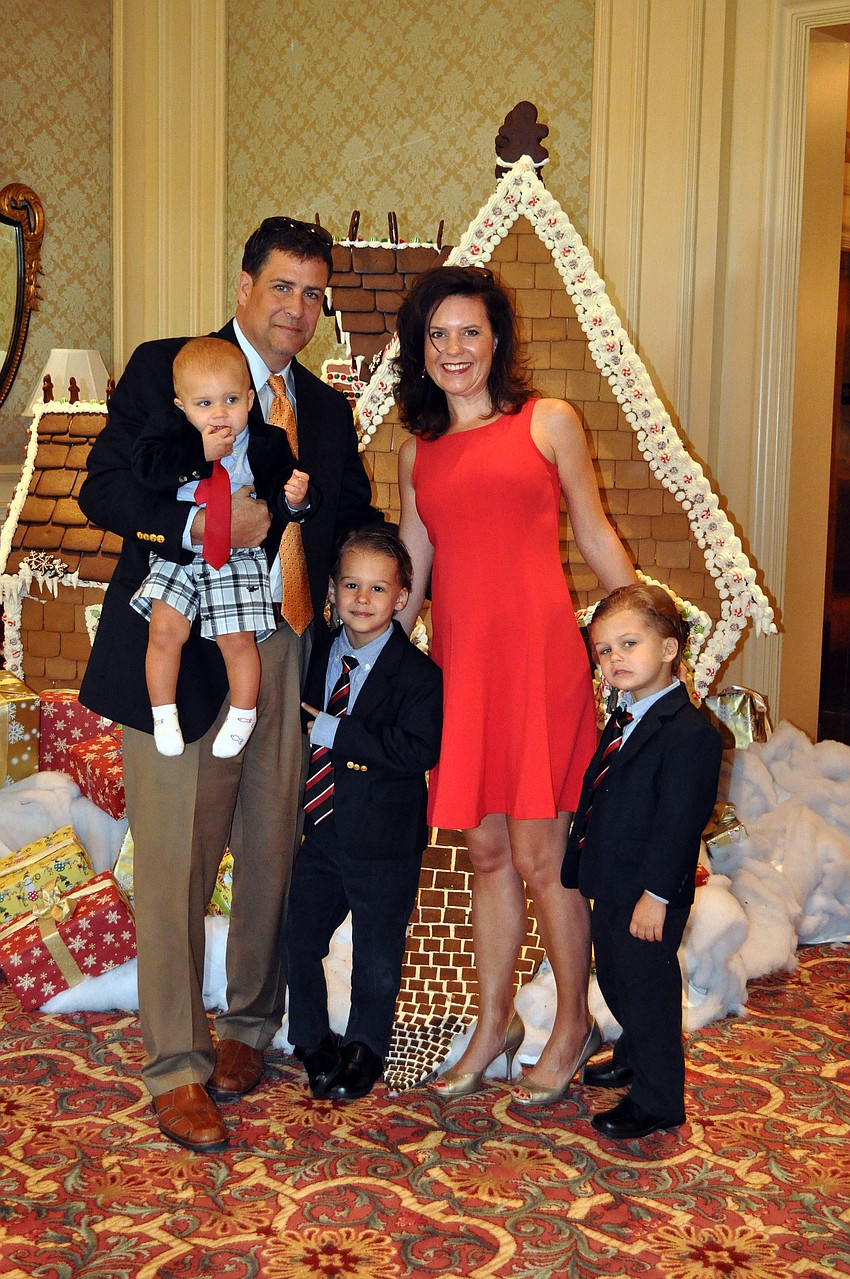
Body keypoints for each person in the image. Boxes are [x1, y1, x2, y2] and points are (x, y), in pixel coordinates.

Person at [79, 217, 384, 1153]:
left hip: (286, 652)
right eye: (282, 286)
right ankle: (176, 1063)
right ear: (244, 284)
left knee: (271, 849)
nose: (298, 308)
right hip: (186, 645)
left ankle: (249, 1026)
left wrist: (393, 589)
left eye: (313, 293)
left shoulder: (325, 411)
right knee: (174, 865)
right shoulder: (169, 370)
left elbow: (352, 516)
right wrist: (213, 525)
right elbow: (104, 490)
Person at [393, 265, 637, 1104]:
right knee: (485, 849)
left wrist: (643, 639)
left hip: (539, 662)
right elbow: (411, 573)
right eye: (438, 335)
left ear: (498, 339)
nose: (455, 349)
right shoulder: (415, 450)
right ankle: (492, 1023)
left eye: (470, 331)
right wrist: (371, 672)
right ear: (418, 349)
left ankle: (574, 1022)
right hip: (461, 670)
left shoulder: (548, 421)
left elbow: (596, 534)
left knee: (542, 854)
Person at [282, 528, 443, 1102]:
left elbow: (417, 749)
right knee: (299, 937)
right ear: (332, 588)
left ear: (402, 597)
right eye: (351, 584)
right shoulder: (316, 650)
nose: (362, 599)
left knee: (377, 953)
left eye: (378, 588)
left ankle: (365, 1046)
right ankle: (309, 1037)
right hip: (319, 831)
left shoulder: (420, 676)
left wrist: (333, 731)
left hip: (384, 841)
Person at [561, 584, 723, 1139]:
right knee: (616, 977)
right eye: (604, 650)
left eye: (629, 643)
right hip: (615, 882)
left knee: (647, 991)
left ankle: (658, 1099)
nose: (614, 659)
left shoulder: (689, 735)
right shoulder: (627, 715)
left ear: (671, 648)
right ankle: (631, 1051)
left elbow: (677, 829)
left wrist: (656, 897)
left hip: (649, 893)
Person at [130, 336, 311, 760]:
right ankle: (162, 711)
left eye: (230, 400)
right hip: (181, 553)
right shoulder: (171, 434)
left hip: (237, 555)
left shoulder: (266, 442)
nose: (219, 414)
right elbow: (145, 471)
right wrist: (199, 451)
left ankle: (243, 713)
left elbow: (283, 499)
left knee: (237, 638)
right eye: (204, 404)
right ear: (181, 407)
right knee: (164, 630)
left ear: (250, 399)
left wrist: (296, 499)